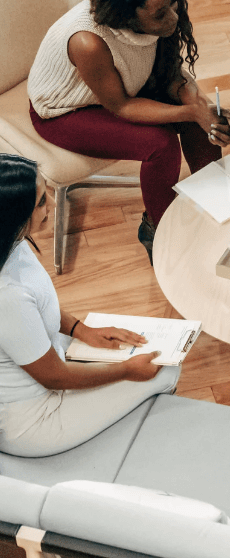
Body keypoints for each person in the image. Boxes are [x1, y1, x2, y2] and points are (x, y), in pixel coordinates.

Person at [27, 0, 230, 262]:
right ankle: (159, 229)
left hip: (123, 87)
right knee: (160, 145)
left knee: (199, 115)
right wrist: (191, 110)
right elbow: (121, 106)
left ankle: (216, 200)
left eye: (173, 0)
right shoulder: (88, 42)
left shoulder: (157, 16)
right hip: (65, 111)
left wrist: (203, 109)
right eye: (160, 14)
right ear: (127, 17)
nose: (174, 15)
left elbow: (168, 73)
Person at [0, 154, 180, 457]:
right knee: (166, 373)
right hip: (34, 417)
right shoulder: (7, 296)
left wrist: (81, 329)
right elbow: (54, 376)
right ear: (13, 216)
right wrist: (125, 372)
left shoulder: (12, 243)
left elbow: (38, 306)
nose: (54, 206)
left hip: (48, 361)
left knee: (149, 356)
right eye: (43, 202)